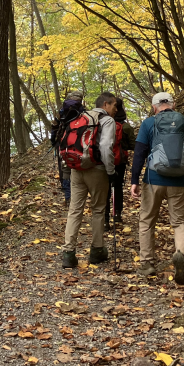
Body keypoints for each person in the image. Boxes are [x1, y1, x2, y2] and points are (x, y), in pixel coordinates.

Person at [130, 92, 184, 285]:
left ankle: (147, 263)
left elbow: (139, 153)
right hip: (179, 180)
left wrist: (134, 180)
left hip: (153, 179)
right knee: (179, 221)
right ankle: (181, 255)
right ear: (173, 104)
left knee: (147, 220)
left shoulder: (149, 123)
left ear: (154, 107)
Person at [61, 92, 119, 268]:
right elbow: (105, 147)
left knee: (74, 210)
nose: (116, 109)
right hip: (97, 169)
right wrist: (111, 171)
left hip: (77, 169)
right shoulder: (107, 120)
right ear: (105, 104)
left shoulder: (81, 117)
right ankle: (97, 250)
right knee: (98, 210)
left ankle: (68, 253)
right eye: (114, 105)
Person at [105, 96, 135, 230]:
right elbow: (133, 145)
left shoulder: (104, 124)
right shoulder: (126, 127)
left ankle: (105, 220)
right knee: (118, 187)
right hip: (120, 161)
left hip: (105, 160)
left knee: (105, 189)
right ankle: (117, 214)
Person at [51, 90, 85, 205]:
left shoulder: (62, 111)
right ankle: (77, 196)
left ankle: (68, 197)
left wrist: (53, 141)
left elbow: (54, 126)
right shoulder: (84, 111)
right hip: (79, 143)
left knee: (64, 169)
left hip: (63, 143)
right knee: (77, 167)